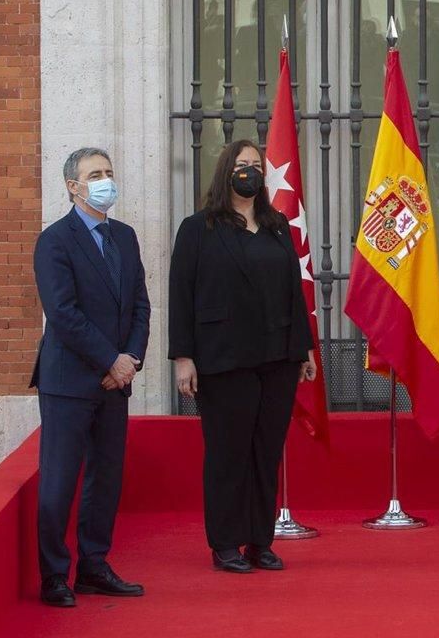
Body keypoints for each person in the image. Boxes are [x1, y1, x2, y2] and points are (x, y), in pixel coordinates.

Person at [169, 140, 317, 573]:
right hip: (223, 358)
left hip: (278, 357)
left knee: (265, 452)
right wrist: (183, 357)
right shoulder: (199, 228)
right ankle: (226, 543)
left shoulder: (277, 226)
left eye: (255, 165)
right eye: (241, 165)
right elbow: (182, 295)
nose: (249, 172)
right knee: (227, 453)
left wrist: (304, 348)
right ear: (225, 172)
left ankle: (259, 541)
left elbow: (295, 291)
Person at [31, 148, 149, 607]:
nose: (105, 181)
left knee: (107, 478)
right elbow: (62, 313)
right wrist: (109, 361)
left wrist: (131, 359)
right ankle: (54, 575)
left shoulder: (125, 236)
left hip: (115, 382)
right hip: (69, 382)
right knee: (59, 480)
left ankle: (94, 566)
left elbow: (140, 305)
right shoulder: (55, 241)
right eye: (94, 175)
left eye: (109, 173)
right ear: (73, 187)